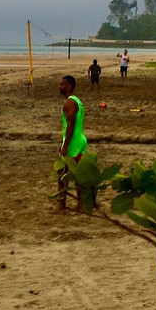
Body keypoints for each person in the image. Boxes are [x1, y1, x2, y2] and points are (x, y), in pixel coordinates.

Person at [56, 75, 88, 210]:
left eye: (62, 85)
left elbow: (70, 125)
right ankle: (80, 203)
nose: (59, 87)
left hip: (73, 143)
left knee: (61, 173)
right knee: (77, 173)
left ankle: (61, 203)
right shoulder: (77, 101)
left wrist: (65, 146)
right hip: (80, 140)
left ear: (69, 86)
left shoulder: (69, 103)